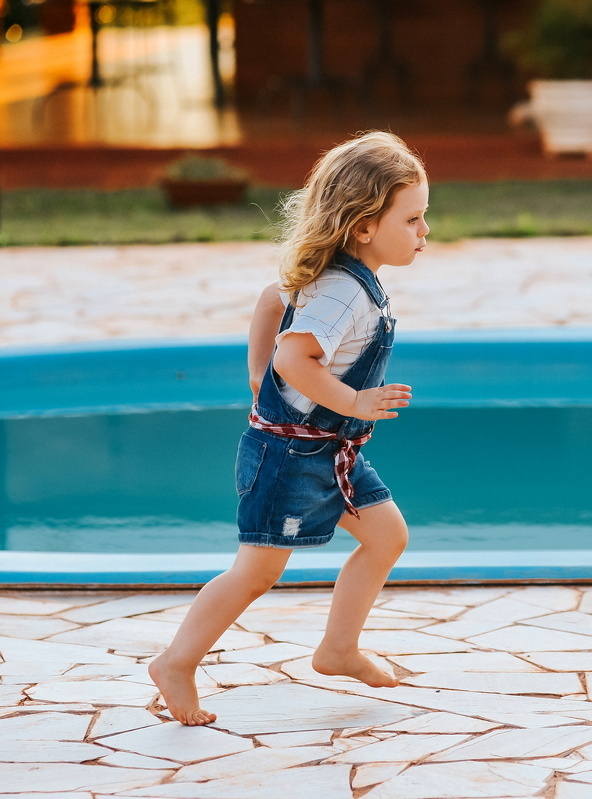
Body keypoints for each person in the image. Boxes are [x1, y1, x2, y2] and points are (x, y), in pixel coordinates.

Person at [149, 131, 429, 726]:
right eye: (413, 219)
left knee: (387, 536)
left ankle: (337, 650)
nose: (424, 232)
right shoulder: (341, 292)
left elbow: (273, 300)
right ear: (363, 225)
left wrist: (256, 376)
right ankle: (176, 661)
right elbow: (293, 359)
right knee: (258, 569)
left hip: (328, 452)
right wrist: (353, 399)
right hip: (290, 455)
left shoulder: (345, 279)